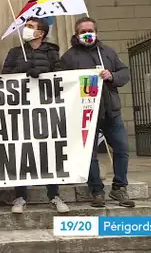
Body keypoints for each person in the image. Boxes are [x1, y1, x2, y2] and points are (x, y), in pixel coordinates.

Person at [60, 17, 135, 208]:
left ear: (96, 32)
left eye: (90, 30)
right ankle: (97, 191)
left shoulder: (107, 52)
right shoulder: (69, 57)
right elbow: (60, 80)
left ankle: (119, 188)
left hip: (111, 110)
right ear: (76, 35)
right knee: (88, 153)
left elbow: (124, 73)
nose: (87, 34)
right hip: (86, 112)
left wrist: (112, 76)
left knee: (121, 149)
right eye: (83, 31)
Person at [2, 17, 69, 214]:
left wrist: (44, 73)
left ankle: (54, 195)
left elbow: (60, 76)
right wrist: (21, 70)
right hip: (21, 108)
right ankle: (20, 196)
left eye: (31, 27)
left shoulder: (52, 52)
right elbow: (4, 76)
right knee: (21, 151)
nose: (26, 29)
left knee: (48, 151)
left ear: (41, 33)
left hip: (45, 108)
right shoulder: (15, 52)